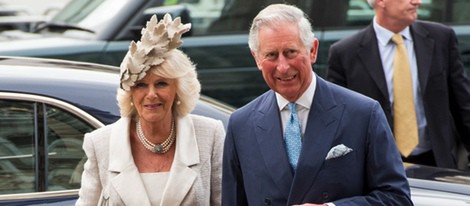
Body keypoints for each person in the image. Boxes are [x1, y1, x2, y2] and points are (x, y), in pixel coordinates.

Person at [222, 3, 412, 205]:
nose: (283, 67)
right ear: (257, 59)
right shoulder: (241, 124)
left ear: (312, 50)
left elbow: (397, 198)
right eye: (271, 55)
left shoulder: (363, 113)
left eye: (291, 52)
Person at [76, 14, 225, 205]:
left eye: (161, 84)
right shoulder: (101, 144)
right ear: (130, 93)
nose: (151, 94)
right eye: (141, 85)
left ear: (178, 90)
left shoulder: (210, 135)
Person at [327, 0, 470, 169]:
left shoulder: (441, 38)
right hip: (379, 166)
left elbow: (463, 104)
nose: (417, 2)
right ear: (381, 2)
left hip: (437, 161)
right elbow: (338, 120)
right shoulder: (345, 52)